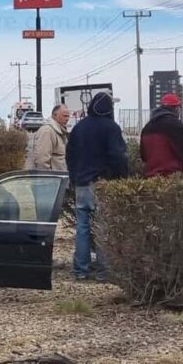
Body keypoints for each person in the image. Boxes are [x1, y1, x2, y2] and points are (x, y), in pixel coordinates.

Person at [65, 92, 128, 281]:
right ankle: (103, 271)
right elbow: (118, 156)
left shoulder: (79, 128)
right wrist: (121, 178)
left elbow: (70, 155)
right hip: (103, 183)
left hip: (81, 184)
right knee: (103, 228)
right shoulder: (111, 128)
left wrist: (74, 177)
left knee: (82, 228)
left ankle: (81, 270)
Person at [141, 93, 183, 177]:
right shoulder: (176, 125)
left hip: (151, 178)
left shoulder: (147, 128)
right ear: (175, 108)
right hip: (173, 178)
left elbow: (144, 157)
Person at [27, 104, 70, 171]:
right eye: (64, 116)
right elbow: (41, 160)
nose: (67, 119)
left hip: (59, 178)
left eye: (68, 116)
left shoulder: (60, 132)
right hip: (51, 179)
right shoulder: (47, 131)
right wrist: (47, 180)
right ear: (54, 115)